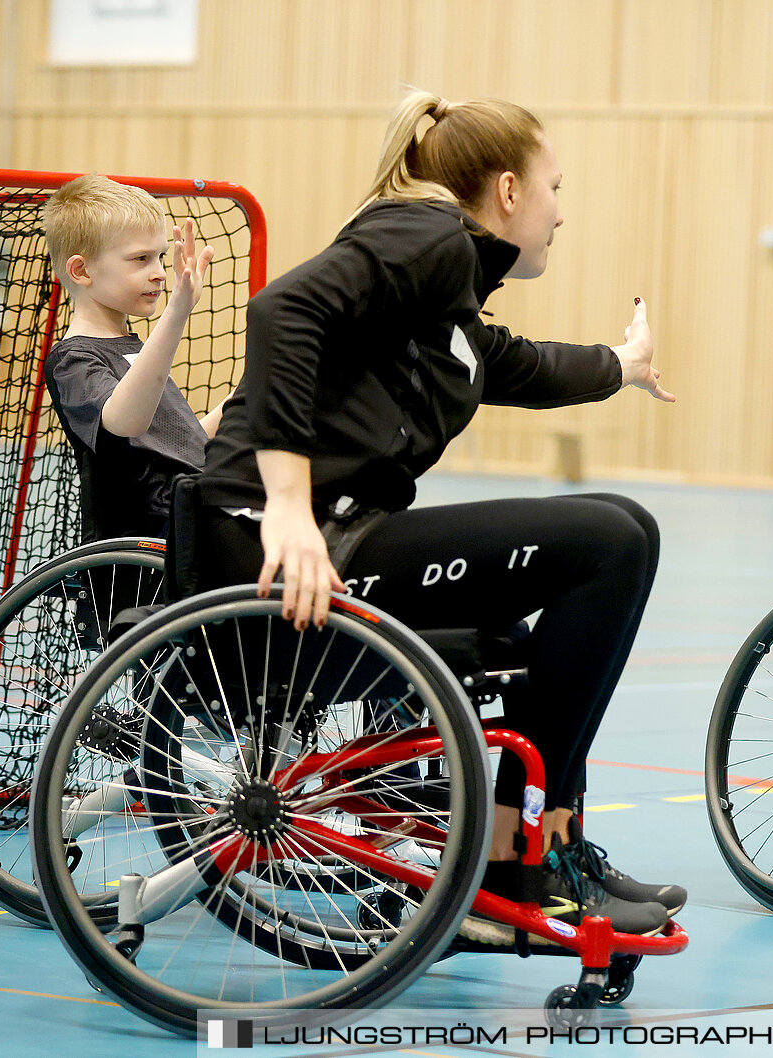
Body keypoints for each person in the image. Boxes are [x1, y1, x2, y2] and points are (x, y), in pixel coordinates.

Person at [194, 90, 683, 942]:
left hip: (341, 539)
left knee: (587, 567)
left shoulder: (448, 299)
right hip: (277, 549)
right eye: (554, 189)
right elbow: (284, 311)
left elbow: (511, 363)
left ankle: (544, 848)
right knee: (613, 537)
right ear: (506, 191)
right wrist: (287, 508)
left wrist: (621, 365)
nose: (560, 211)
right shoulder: (422, 233)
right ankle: (508, 865)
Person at [41, 175, 226, 541]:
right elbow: (127, 423)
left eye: (159, 256)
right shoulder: (72, 360)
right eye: (141, 259)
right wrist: (178, 311)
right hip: (147, 547)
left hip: (193, 512)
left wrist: (246, 397)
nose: (159, 272)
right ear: (82, 270)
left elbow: (180, 445)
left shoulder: (133, 349)